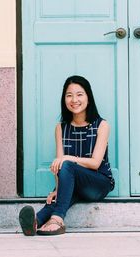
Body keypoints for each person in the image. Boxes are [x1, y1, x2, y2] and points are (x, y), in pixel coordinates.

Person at [19, 75, 114, 236]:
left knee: (67, 165)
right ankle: (36, 221)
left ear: (88, 97)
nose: (74, 100)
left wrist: (68, 159)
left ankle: (57, 219)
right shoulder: (61, 128)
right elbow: (59, 166)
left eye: (79, 94)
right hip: (75, 184)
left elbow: (95, 163)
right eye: (69, 95)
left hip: (99, 184)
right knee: (62, 191)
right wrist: (58, 188)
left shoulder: (101, 125)